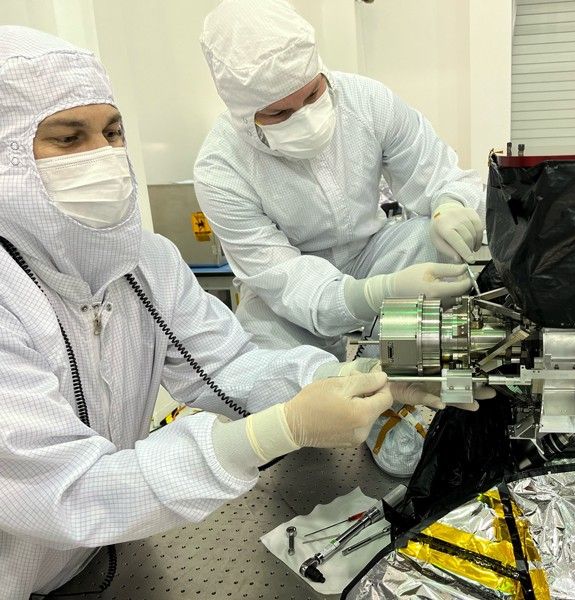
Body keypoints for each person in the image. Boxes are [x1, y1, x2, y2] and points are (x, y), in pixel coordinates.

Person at [0, 26, 441, 599]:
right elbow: (63, 490)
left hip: (88, 557)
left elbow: (228, 366)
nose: (103, 156)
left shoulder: (144, 262)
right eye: (66, 138)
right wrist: (271, 434)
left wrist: (344, 378)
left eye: (112, 132)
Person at [194, 0, 486, 362]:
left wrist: (450, 205)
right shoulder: (221, 169)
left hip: (373, 253)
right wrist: (368, 296)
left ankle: (406, 374)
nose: (306, 118)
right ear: (241, 114)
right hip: (289, 282)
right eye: (280, 113)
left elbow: (437, 174)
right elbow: (282, 276)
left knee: (427, 239)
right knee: (270, 369)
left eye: (313, 94)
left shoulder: (367, 101)